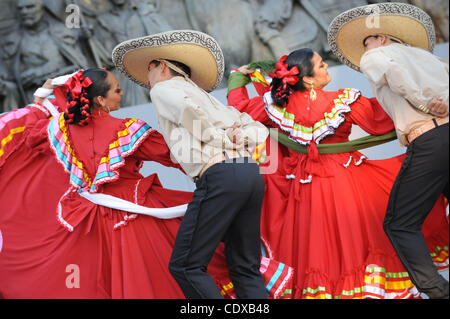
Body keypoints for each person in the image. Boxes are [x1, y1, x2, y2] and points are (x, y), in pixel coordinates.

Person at [0, 68, 292, 299]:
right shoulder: (126, 129)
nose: (122, 92)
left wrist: (41, 101)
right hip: (137, 216)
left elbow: (28, 135)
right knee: (186, 266)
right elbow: (172, 154)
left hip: (92, 225)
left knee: (99, 281)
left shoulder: (57, 130)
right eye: (116, 89)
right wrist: (221, 151)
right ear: (100, 100)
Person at [226, 47, 449, 299]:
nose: (326, 67)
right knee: (363, 240)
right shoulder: (342, 100)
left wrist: (237, 78)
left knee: (318, 251)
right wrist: (426, 107)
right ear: (308, 79)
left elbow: (240, 107)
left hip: (305, 187)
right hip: (346, 180)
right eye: (321, 65)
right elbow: (382, 120)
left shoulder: (274, 106)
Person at [113, 30, 271, 299]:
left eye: (149, 69)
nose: (147, 79)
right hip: (249, 173)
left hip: (221, 175)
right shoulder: (206, 97)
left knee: (186, 265)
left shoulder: (163, 89)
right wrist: (237, 138)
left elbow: (191, 116)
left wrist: (222, 139)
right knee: (245, 267)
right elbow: (259, 131)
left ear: (161, 66)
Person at [328, 2, 449, 299]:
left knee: (399, 223)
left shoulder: (377, 55)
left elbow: (396, 75)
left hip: (429, 139)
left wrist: (423, 103)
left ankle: (437, 291)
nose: (363, 50)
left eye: (366, 41)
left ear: (381, 38)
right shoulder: (426, 57)